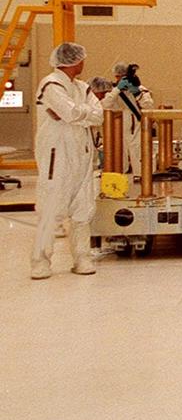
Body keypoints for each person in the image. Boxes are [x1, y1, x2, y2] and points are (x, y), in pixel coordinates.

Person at [32, 42, 106, 279]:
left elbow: (98, 115)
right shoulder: (51, 85)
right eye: (82, 58)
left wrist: (76, 114)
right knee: (52, 205)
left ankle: (82, 257)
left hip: (82, 154)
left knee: (82, 208)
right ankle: (40, 261)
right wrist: (79, 114)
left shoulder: (82, 87)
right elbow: (71, 112)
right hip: (57, 154)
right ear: (75, 61)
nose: (84, 62)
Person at [101, 61, 155, 174]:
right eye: (119, 77)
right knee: (119, 158)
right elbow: (104, 105)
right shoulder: (113, 92)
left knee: (139, 155)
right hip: (118, 130)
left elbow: (148, 106)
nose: (121, 79)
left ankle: (142, 178)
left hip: (137, 128)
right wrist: (117, 90)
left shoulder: (141, 90)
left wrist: (136, 93)